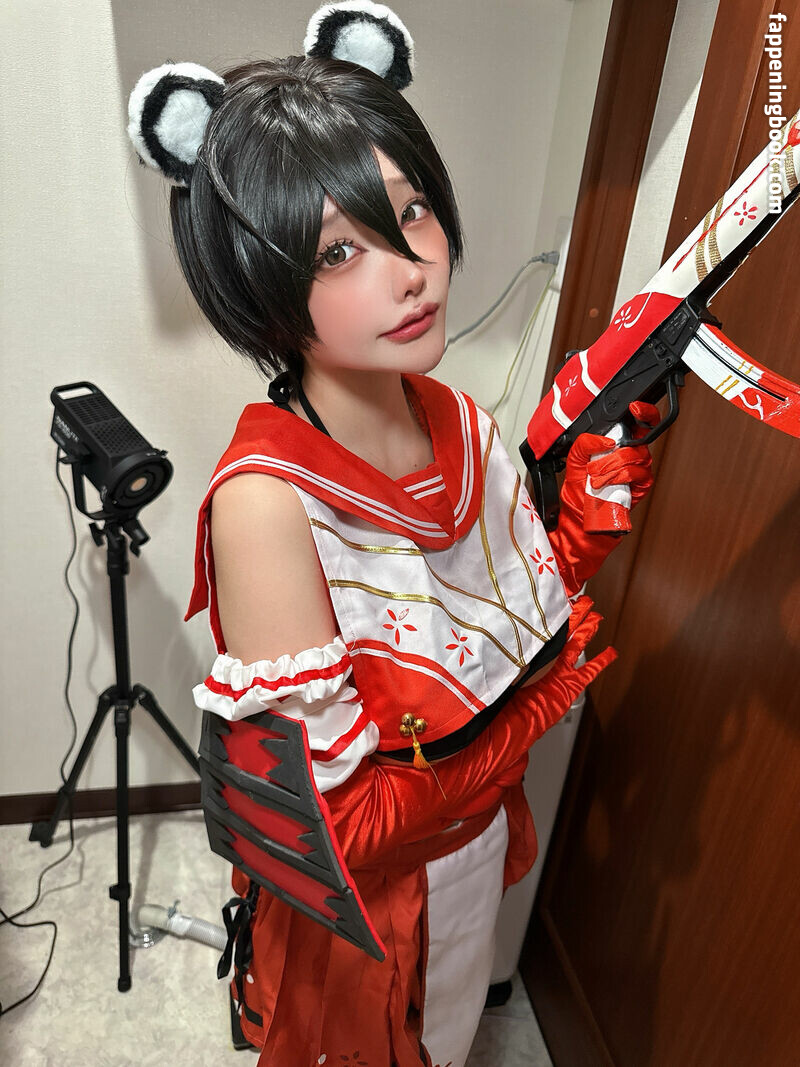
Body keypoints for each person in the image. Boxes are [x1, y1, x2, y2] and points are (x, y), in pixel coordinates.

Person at [128, 4, 655, 1064]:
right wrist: (506, 732)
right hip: (369, 905)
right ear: (259, 285)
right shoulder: (268, 501)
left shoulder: (456, 415)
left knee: (450, 1029)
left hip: (469, 847)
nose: (410, 267)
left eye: (410, 212)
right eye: (337, 249)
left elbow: (497, 620)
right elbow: (339, 819)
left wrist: (584, 515)